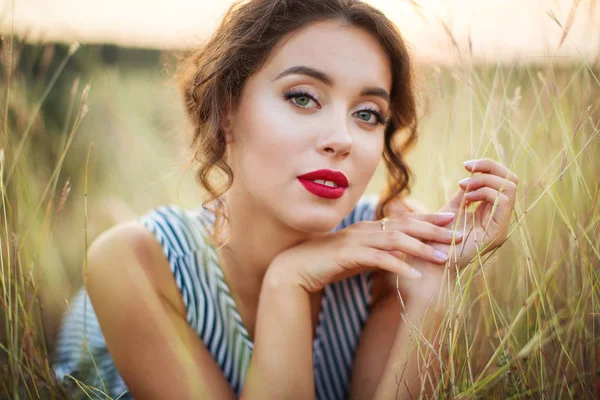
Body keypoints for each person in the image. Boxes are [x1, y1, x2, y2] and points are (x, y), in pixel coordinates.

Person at [52, 0, 519, 398]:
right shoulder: (129, 263)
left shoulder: (388, 255)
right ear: (227, 112)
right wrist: (289, 282)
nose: (342, 139)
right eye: (302, 97)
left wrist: (435, 284)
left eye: (368, 113)